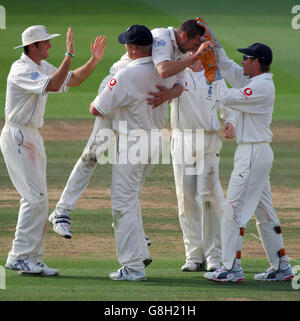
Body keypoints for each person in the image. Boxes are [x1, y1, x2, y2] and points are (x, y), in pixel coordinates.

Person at [49, 18, 206, 238]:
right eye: (196, 43)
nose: (196, 48)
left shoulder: (181, 51)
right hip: (118, 86)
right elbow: (163, 70)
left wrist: (171, 92)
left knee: (140, 161)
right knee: (94, 153)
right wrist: (195, 57)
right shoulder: (160, 38)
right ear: (183, 36)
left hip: (142, 93)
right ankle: (61, 212)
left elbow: (180, 82)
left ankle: (127, 223)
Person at [0, 25, 107, 276]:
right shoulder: (21, 69)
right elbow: (55, 82)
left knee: (39, 198)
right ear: (32, 47)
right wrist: (69, 55)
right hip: (17, 135)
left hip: (32, 135)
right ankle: (18, 256)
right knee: (34, 198)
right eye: (45, 43)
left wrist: (93, 60)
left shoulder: (40, 67)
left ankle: (32, 258)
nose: (49, 46)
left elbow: (74, 80)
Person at [89, 25, 179, 281]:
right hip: (156, 140)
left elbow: (98, 109)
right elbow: (178, 86)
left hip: (133, 143)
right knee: (131, 198)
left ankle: (133, 266)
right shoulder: (165, 69)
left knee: (122, 202)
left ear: (132, 48)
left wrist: (94, 102)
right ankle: (140, 252)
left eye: (126, 45)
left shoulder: (128, 73)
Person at [199, 41, 295, 282]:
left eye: (247, 58)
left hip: (252, 154)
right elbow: (231, 69)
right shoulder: (254, 82)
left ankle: (231, 267)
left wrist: (212, 73)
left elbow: (226, 96)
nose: (242, 61)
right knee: (264, 211)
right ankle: (282, 266)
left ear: (257, 62)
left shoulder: (261, 87)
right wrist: (214, 45)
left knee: (231, 208)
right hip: (256, 153)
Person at [150, 56, 236, 273]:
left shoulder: (213, 74)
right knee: (185, 197)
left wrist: (231, 122)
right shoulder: (177, 72)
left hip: (208, 139)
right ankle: (194, 255)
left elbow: (227, 105)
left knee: (208, 196)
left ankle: (214, 256)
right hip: (182, 139)